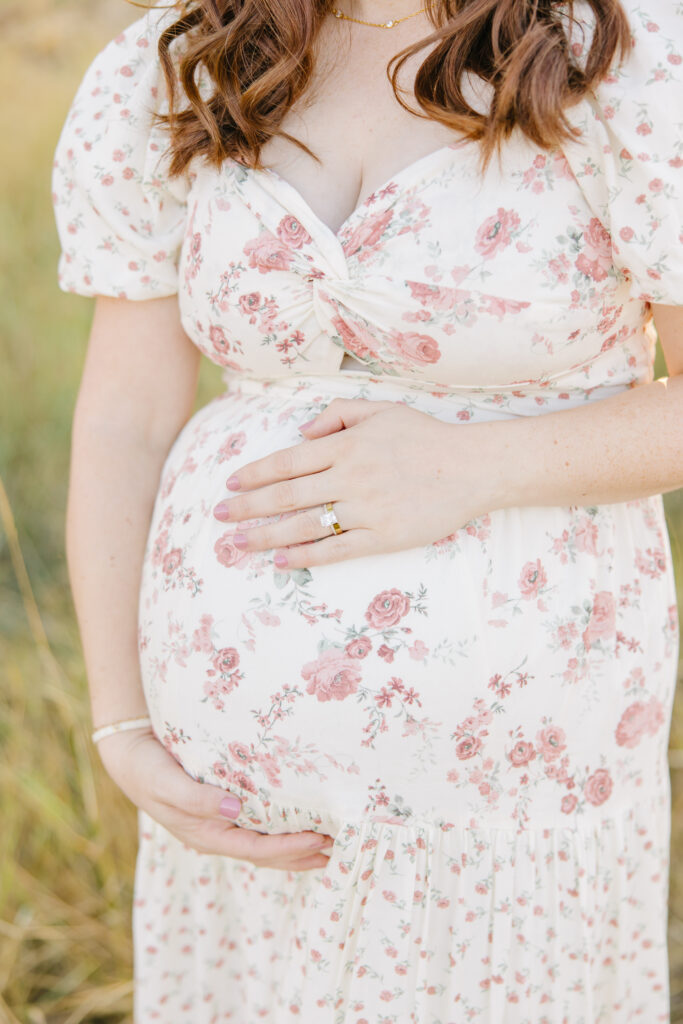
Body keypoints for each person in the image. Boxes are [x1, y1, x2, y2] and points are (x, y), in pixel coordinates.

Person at [51, 0, 682, 1018]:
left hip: (510, 814)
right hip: (243, 825)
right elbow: (125, 418)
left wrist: (477, 466)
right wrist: (121, 723)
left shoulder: (621, 58)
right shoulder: (181, 63)